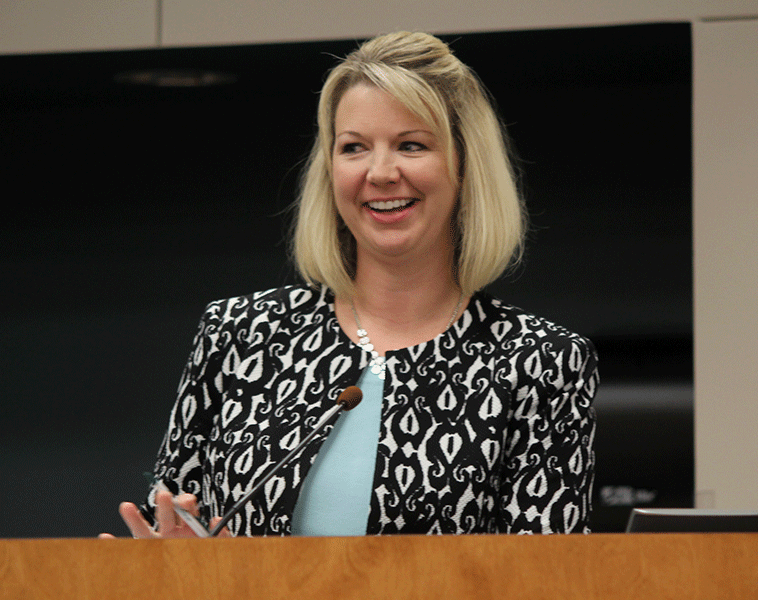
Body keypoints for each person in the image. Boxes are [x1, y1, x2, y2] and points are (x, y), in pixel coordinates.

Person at [105, 31, 598, 538]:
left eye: (411, 145)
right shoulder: (240, 333)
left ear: (466, 166)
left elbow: (548, 573)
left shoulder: (539, 361)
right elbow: (172, 522)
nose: (380, 173)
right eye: (354, 148)